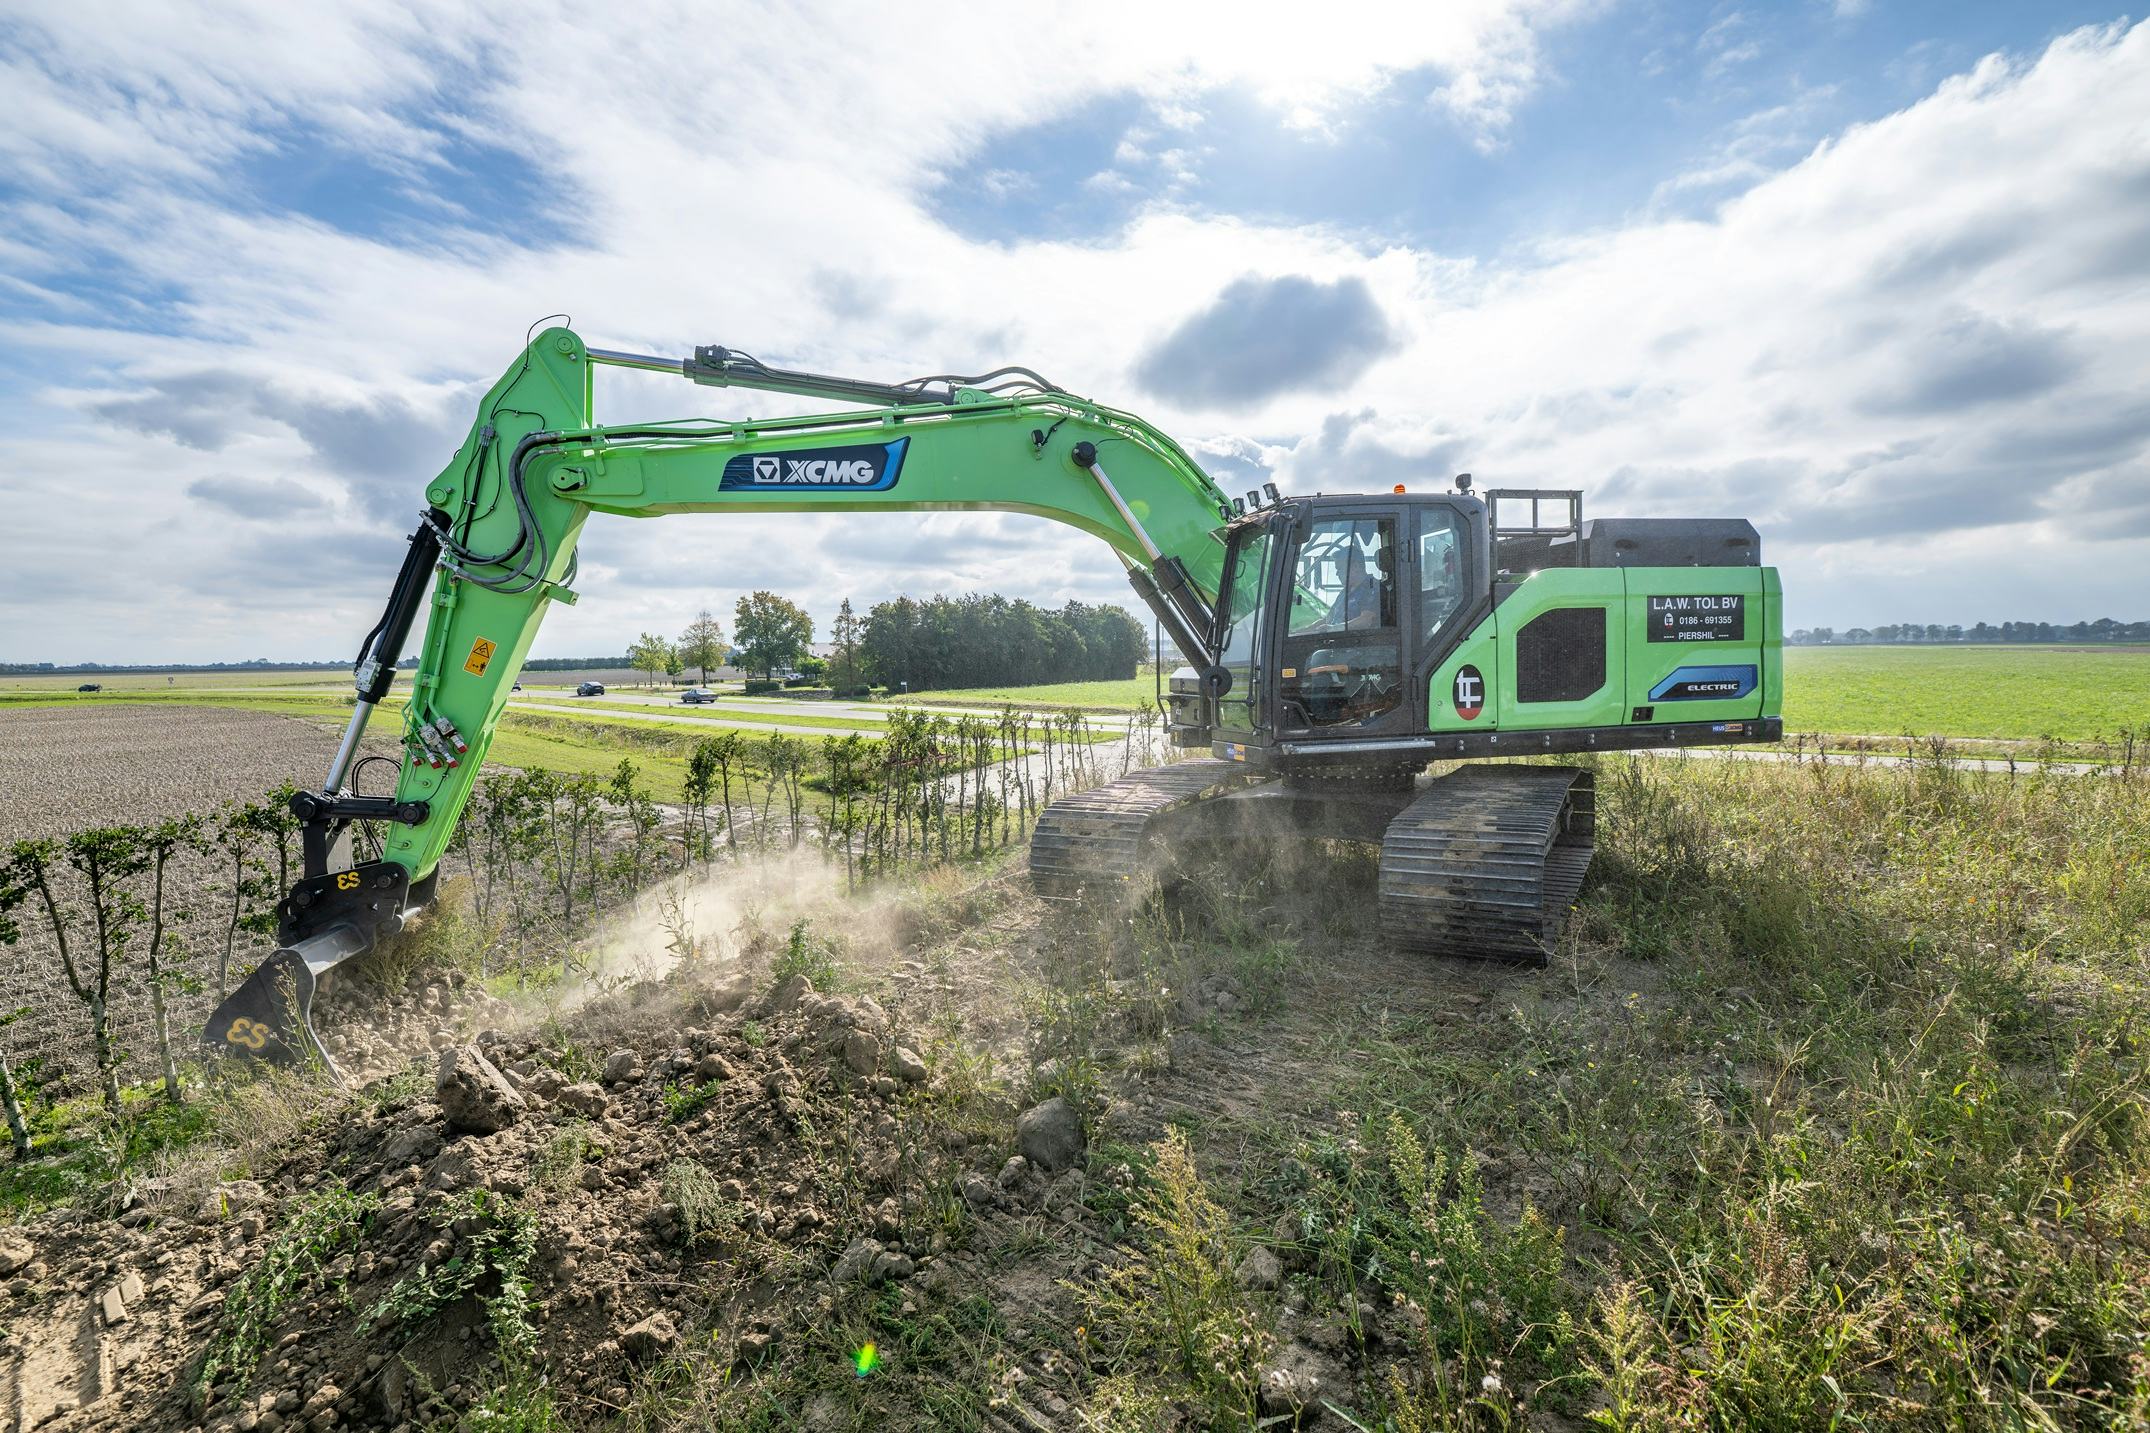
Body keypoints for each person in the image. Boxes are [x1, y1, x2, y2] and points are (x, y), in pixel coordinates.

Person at [1318, 543, 1390, 631]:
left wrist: (1333, 629)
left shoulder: (1373, 587)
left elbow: (1366, 620)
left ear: (1355, 567)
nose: (1337, 574)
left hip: (1360, 641)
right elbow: (1327, 620)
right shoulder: (1344, 592)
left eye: (1340, 569)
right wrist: (1302, 631)